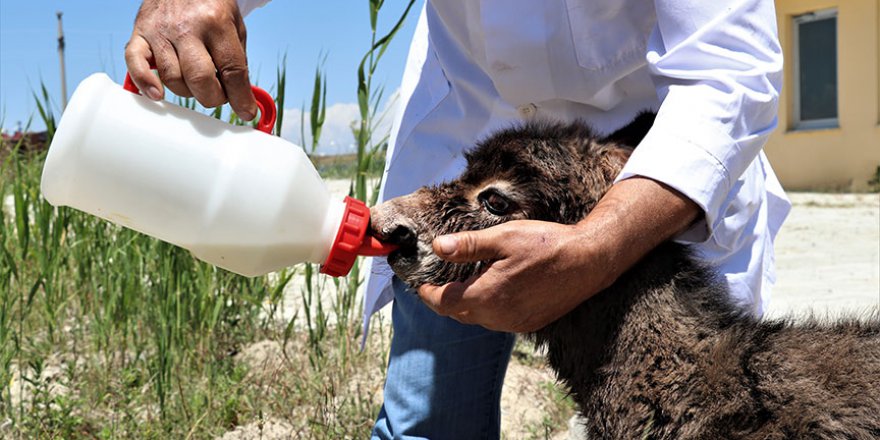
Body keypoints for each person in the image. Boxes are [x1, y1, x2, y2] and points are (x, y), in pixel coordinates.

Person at [126, 0, 791, 438]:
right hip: (464, 147)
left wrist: (595, 245)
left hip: (653, 179)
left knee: (683, 414)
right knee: (424, 427)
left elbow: (731, 67)